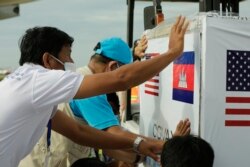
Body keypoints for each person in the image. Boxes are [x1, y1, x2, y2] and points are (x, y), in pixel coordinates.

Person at [0, 16, 188, 167]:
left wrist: (139, 143)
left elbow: (79, 132)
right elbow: (121, 79)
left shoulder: (26, 83)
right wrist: (172, 53)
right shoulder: (39, 80)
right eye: (67, 56)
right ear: (48, 60)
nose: (71, 62)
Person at [68, 37, 191, 166]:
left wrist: (138, 158)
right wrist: (170, 146)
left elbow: (107, 146)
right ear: (113, 66)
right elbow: (113, 134)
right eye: (126, 74)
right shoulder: (89, 91)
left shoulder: (83, 79)